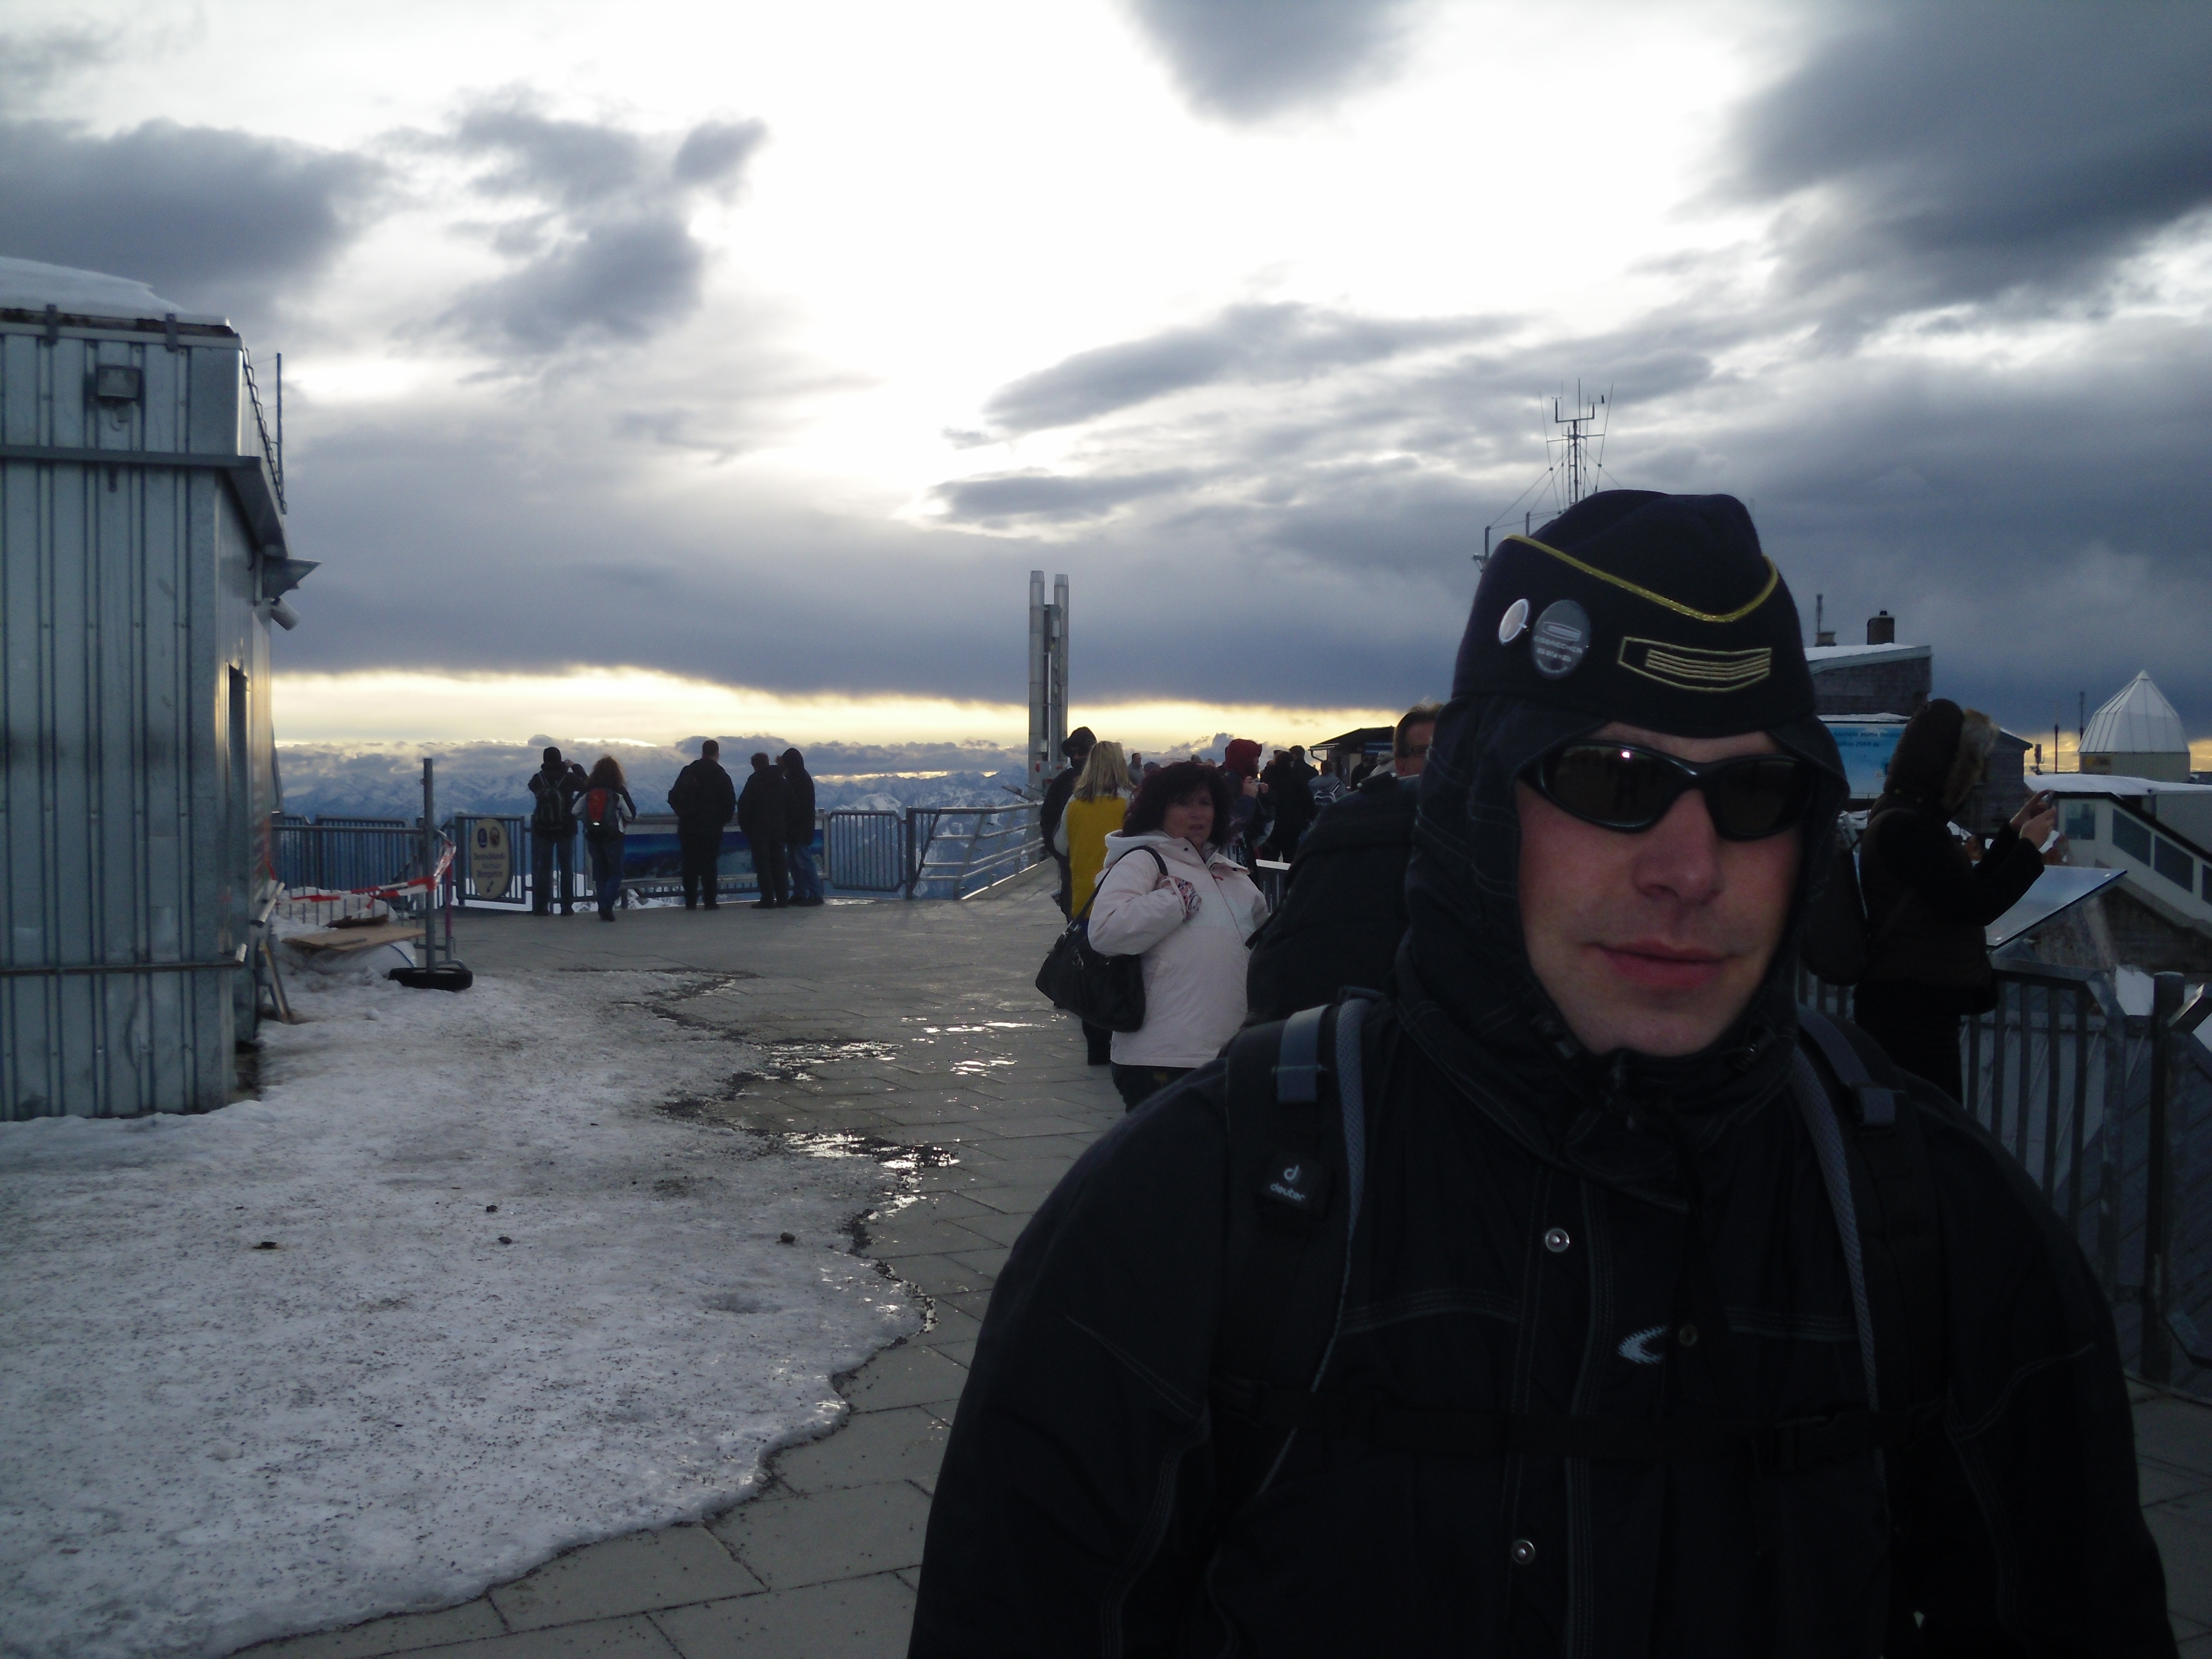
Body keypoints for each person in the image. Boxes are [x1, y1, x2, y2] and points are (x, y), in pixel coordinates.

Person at [911, 491, 2168, 1653]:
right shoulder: (1192, 1219)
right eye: (1610, 781)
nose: (1689, 867)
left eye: (1752, 794)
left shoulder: (1941, 1237)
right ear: (1481, 807)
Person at [1854, 700, 2054, 1100]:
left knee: (1922, 1120)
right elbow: (1975, 905)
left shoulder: (1900, 818)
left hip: (1907, 1002)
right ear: (1947, 770)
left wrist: (2012, 834)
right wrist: (2029, 850)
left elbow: (1959, 892)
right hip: (1912, 1010)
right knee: (1931, 1122)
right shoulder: (1909, 829)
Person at [1086, 760, 1268, 1112]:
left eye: (1205, 803)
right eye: (1183, 803)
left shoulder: (1231, 875)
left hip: (1227, 1055)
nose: (1197, 814)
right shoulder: (1142, 861)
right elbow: (1106, 932)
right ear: (1159, 810)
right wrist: (1174, 901)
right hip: (1161, 1058)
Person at [1245, 701, 1442, 1021]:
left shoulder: (1511, 833)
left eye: (1455, 746)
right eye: (1427, 751)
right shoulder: (1353, 833)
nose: (1444, 758)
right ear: (1402, 764)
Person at [1052, 740, 1135, 1066]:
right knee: (1123, 972)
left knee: (1092, 974)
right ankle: (1122, 1039)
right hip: (1125, 896)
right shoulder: (1130, 801)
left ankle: (1096, 1045)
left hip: (1085, 899)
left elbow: (1061, 844)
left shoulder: (1075, 802)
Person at [666, 740, 736, 910]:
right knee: (709, 864)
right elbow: (729, 803)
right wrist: (721, 820)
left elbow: (673, 797)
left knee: (690, 863)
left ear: (702, 752)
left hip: (688, 826)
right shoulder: (722, 775)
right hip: (712, 828)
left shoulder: (689, 771)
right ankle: (710, 901)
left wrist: (683, 814)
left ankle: (690, 901)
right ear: (717, 754)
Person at [1040, 726, 1095, 917]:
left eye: (1082, 752)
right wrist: (1061, 854)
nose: (1077, 757)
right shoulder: (1062, 783)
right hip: (1072, 861)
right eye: (1074, 753)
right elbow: (1048, 820)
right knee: (1073, 906)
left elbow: (1047, 820)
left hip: (1101, 860)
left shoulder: (1063, 782)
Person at [526, 747, 586, 915]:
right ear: (560, 759)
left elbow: (532, 787)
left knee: (544, 868)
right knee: (566, 868)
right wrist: (574, 767)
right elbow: (587, 785)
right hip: (566, 828)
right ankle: (566, 907)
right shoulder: (569, 778)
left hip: (543, 829)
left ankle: (541, 907)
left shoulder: (538, 779)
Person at [575, 755, 635, 922]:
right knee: (616, 873)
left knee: (601, 874)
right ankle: (607, 905)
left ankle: (603, 905)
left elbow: (574, 811)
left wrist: (587, 820)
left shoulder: (588, 790)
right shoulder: (618, 791)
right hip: (614, 836)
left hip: (593, 836)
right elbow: (631, 814)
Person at [737, 752, 792, 908]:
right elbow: (793, 805)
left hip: (759, 832)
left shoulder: (754, 782)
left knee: (763, 866)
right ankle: (783, 898)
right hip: (778, 831)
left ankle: (767, 899)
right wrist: (785, 824)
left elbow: (743, 807)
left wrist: (747, 828)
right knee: (779, 864)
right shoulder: (782, 781)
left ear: (754, 766)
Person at [780, 748, 823, 906]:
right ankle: (801, 893)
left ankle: (814, 894)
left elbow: (795, 805)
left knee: (803, 860)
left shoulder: (798, 779)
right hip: (799, 827)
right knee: (795, 862)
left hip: (799, 828)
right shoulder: (801, 777)